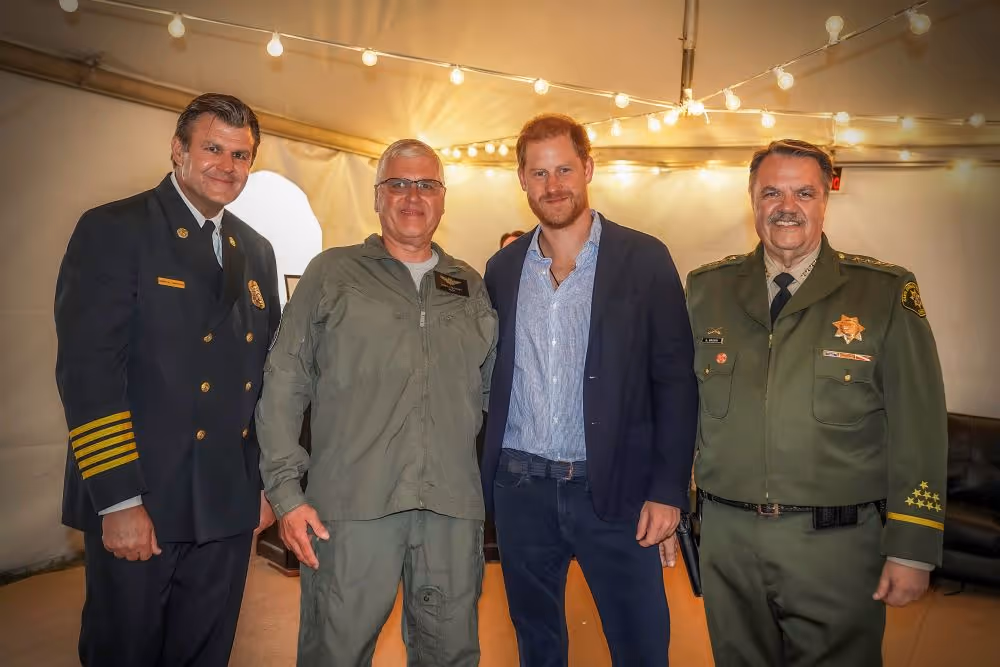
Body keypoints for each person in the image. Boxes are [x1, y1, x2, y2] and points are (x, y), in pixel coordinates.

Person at [686, 139, 948, 667]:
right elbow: (678, 412)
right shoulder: (704, 292)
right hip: (727, 540)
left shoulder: (882, 293)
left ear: (826, 199)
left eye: (804, 192)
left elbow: (919, 426)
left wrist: (912, 546)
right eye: (772, 192)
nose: (787, 206)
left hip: (836, 545)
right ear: (752, 199)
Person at [55, 93, 280, 666]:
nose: (227, 166)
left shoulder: (255, 249)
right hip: (144, 498)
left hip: (227, 503)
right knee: (124, 652)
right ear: (178, 150)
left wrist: (264, 485)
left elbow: (267, 379)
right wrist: (117, 500)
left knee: (205, 654)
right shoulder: (115, 228)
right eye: (212, 148)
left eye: (241, 154)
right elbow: (89, 373)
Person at [255, 139, 497, 666]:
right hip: (350, 510)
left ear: (442, 198)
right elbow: (284, 381)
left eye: (426, 184)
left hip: (450, 512)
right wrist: (286, 495)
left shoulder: (469, 286)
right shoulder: (332, 274)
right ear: (377, 196)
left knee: (450, 655)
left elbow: (485, 393)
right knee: (335, 654)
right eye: (398, 183)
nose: (412, 196)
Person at [481, 113, 699, 666]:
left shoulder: (645, 259)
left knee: (642, 646)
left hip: (617, 493)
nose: (552, 185)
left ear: (589, 169)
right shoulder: (502, 270)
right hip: (521, 489)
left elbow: (675, 380)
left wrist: (669, 489)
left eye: (564, 169)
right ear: (522, 180)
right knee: (538, 646)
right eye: (538, 173)